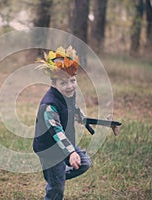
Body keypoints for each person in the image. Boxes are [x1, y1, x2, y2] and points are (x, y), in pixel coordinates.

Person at [33, 46, 119, 200]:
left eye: (72, 81)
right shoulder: (49, 106)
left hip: (67, 145)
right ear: (54, 84)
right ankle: (55, 181)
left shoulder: (68, 94)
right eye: (64, 83)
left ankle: (56, 177)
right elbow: (57, 131)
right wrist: (71, 152)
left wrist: (106, 123)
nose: (70, 86)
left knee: (84, 163)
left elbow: (76, 112)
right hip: (50, 150)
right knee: (57, 189)